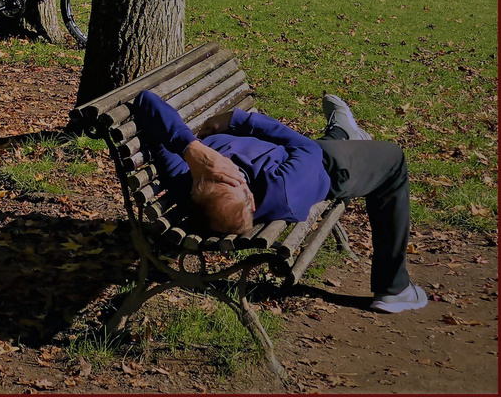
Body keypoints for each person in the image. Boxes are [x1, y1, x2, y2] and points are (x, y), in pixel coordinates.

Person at [131, 88, 426, 313]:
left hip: (288, 156)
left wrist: (193, 150)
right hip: (324, 166)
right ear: (251, 199)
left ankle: (343, 131)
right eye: (233, 179)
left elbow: (146, 100)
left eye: (213, 173)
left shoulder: (187, 179)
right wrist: (238, 119)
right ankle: (394, 288)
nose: (223, 167)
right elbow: (303, 147)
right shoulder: (283, 188)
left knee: (331, 141)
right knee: (393, 161)